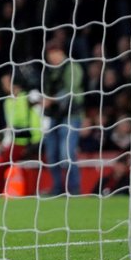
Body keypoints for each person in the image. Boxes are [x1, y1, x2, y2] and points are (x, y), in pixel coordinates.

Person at [42, 40, 83, 195]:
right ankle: (57, 187)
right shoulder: (49, 70)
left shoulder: (72, 67)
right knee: (52, 155)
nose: (51, 58)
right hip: (53, 116)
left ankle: (74, 188)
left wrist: (50, 99)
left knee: (66, 153)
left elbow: (71, 90)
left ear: (60, 52)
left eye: (53, 54)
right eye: (49, 55)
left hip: (71, 115)